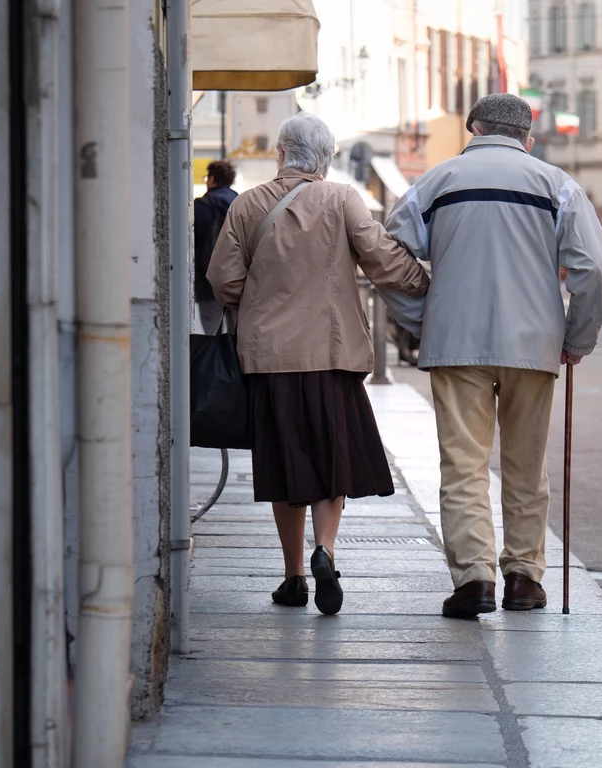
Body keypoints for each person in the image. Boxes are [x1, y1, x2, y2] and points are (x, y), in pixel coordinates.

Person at [381, 93, 602, 619]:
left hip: (456, 342)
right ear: (526, 139)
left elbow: (387, 257)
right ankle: (524, 579)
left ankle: (474, 581)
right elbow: (597, 268)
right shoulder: (556, 185)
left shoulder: (436, 182)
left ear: (475, 130)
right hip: (533, 344)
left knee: (463, 464)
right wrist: (577, 337)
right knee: (526, 465)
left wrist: (421, 317)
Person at [207, 113, 430, 615]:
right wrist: (425, 283)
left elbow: (222, 279)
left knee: (285, 465)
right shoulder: (342, 199)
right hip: (332, 355)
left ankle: (293, 577)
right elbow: (380, 258)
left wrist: (262, 301)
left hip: (270, 358)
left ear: (280, 154)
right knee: (333, 459)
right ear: (326, 159)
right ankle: (325, 551)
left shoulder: (248, 204)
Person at [194, 159, 239, 333]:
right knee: (238, 337)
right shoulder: (241, 203)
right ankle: (233, 361)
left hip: (207, 283)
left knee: (211, 336)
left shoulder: (199, 207)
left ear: (212, 179)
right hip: (236, 282)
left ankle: (214, 361)